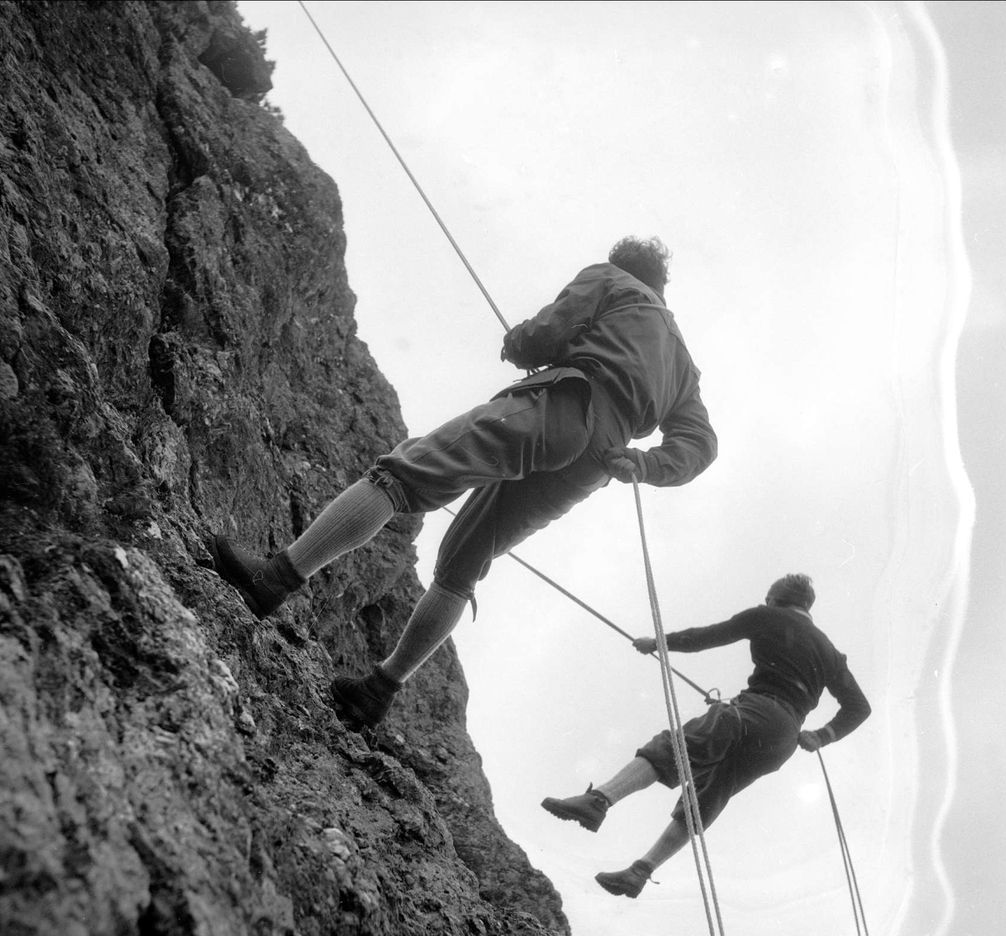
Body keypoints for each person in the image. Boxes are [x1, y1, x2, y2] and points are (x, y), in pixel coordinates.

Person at [212, 236, 717, 728]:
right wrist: (647, 465)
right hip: (597, 464)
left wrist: (518, 343)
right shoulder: (684, 368)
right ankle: (379, 690)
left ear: (624, 263)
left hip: (562, 405)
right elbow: (700, 444)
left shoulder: (613, 279)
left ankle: (273, 580)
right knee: (464, 564)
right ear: (663, 286)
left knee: (403, 474)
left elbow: (550, 331)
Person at [542, 574, 872, 897]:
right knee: (709, 794)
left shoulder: (767, 615)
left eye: (768, 598)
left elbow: (708, 636)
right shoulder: (829, 651)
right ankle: (641, 871)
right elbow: (859, 707)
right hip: (783, 738)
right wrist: (823, 735)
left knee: (673, 748)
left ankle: (598, 801)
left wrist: (658, 643)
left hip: (755, 709)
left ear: (775, 599)